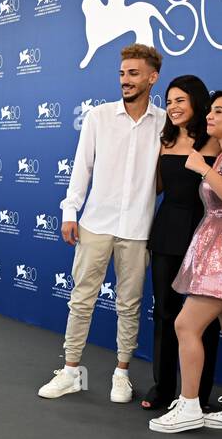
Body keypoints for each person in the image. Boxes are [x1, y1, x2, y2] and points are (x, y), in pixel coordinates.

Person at [38, 43, 165, 403]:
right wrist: (69, 210)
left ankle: (121, 374)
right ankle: (70, 371)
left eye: (134, 74)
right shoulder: (98, 117)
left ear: (152, 78)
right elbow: (83, 168)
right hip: (96, 223)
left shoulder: (165, 122)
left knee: (129, 304)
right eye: (123, 73)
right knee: (81, 300)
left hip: (138, 228)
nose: (125, 80)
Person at [150, 90, 222, 433]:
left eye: (219, 111)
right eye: (210, 111)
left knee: (186, 325)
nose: (210, 116)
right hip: (221, 242)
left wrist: (202, 168)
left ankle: (188, 406)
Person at [142, 75, 222, 413]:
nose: (173, 107)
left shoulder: (215, 141)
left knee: (205, 319)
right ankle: (163, 388)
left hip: (204, 230)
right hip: (166, 231)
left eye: (180, 101)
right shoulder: (164, 140)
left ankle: (198, 395)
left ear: (197, 102)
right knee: (164, 312)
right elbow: (154, 187)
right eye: (169, 101)